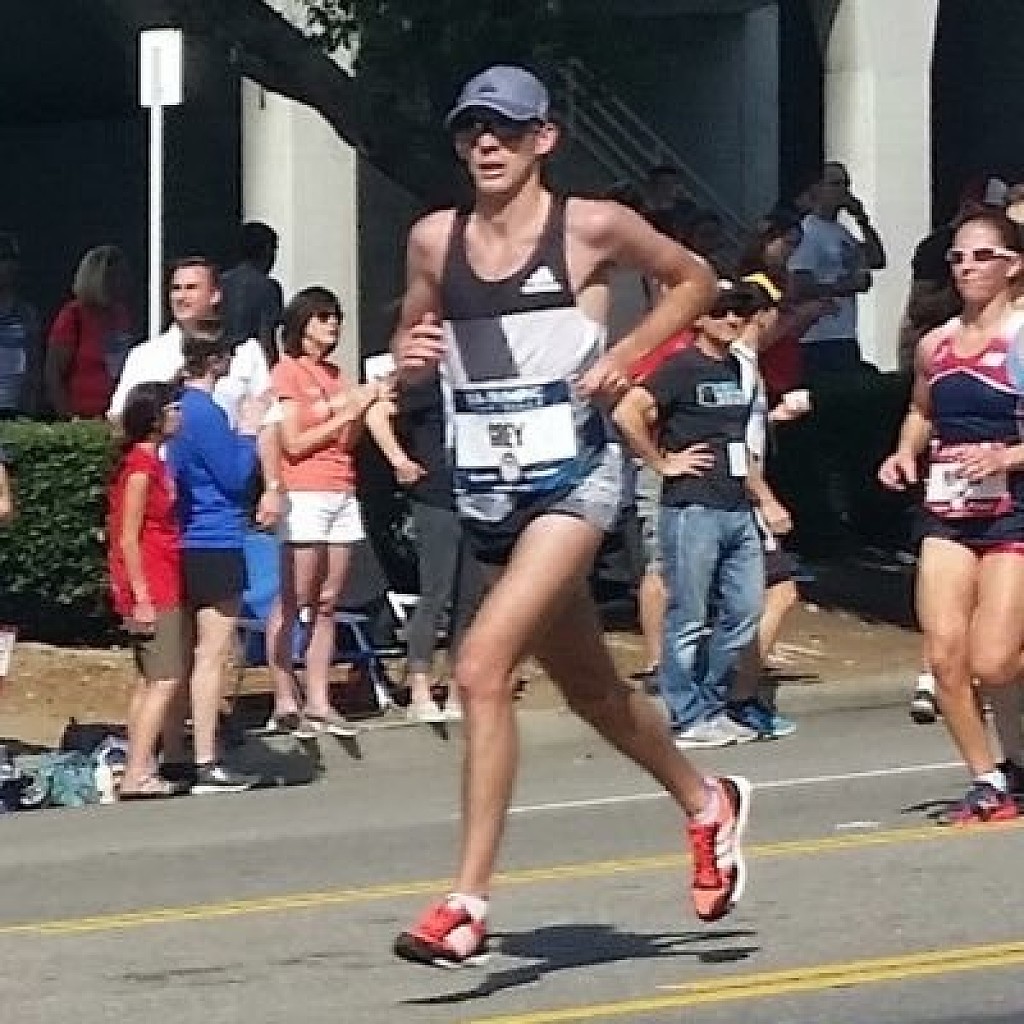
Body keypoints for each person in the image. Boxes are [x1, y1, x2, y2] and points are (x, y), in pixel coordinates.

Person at [389, 65, 750, 969]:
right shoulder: (435, 239)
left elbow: (696, 278)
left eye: (506, 130)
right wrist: (412, 353)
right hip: (489, 488)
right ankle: (707, 801)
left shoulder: (589, 225)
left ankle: (466, 903)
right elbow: (410, 339)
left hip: (576, 477)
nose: (487, 145)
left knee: (481, 668)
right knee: (593, 692)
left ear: (543, 139)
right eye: (472, 130)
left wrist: (629, 353)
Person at [879, 207, 1024, 825]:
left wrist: (1005, 455)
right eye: (958, 257)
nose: (967, 267)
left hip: (1014, 510)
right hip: (948, 509)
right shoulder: (936, 343)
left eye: (982, 256)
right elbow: (922, 410)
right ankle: (988, 779)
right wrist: (904, 452)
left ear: (1014, 266)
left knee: (995, 661)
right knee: (944, 657)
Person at [614, 282, 785, 747]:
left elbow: (737, 443)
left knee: (745, 610)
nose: (732, 319)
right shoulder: (681, 366)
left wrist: (763, 497)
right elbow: (629, 412)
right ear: (699, 318)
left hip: (736, 504)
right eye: (721, 311)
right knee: (687, 614)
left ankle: (711, 703)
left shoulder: (737, 368)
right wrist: (662, 463)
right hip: (692, 505)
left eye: (740, 311)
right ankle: (686, 714)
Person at [264, 287, 388, 738]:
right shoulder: (288, 373)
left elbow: (346, 441)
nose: (332, 325)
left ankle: (319, 698)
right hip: (305, 492)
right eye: (322, 318)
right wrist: (343, 413)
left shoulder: (336, 375)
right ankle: (284, 695)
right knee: (294, 595)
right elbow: (293, 442)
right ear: (302, 325)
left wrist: (360, 409)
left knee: (328, 600)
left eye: (335, 317)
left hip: (341, 490)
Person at [108, 256, 281, 530]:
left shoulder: (245, 351)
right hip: (164, 496)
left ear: (215, 295)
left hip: (229, 497)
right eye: (176, 288)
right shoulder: (146, 355)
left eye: (191, 288)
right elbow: (120, 420)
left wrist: (272, 487)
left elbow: (268, 422)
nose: (181, 296)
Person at [169, 323, 265, 793]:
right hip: (216, 537)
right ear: (217, 361)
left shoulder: (174, 408)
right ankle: (206, 758)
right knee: (211, 654)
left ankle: (174, 752)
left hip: (184, 539)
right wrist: (248, 433)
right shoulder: (204, 411)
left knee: (180, 654)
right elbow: (234, 476)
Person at [107, 381, 187, 799]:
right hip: (153, 583)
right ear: (154, 419)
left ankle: (139, 764)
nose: (179, 415)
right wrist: (140, 596)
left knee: (148, 679)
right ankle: (138, 771)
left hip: (163, 576)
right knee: (166, 678)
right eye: (172, 409)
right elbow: (127, 537)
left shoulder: (153, 463)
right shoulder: (140, 469)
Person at [787, 161, 886, 375]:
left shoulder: (841, 231)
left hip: (845, 332)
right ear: (816, 188)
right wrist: (845, 286)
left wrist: (862, 220)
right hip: (818, 337)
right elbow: (798, 285)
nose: (843, 191)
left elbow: (876, 259)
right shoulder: (808, 231)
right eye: (835, 184)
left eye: (846, 184)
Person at [46, 245, 137, 418]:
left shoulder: (122, 314)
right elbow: (54, 374)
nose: (125, 281)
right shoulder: (73, 315)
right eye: (117, 276)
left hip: (118, 413)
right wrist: (68, 417)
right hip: (82, 415)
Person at [220, 222, 284, 366]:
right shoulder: (268, 287)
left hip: (219, 361)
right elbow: (266, 337)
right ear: (267, 250)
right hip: (251, 363)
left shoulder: (220, 283)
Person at [0, 233, 43, 418]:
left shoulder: (27, 313)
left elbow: (34, 360)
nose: (6, 267)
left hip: (17, 406)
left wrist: (32, 400)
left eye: (9, 260)